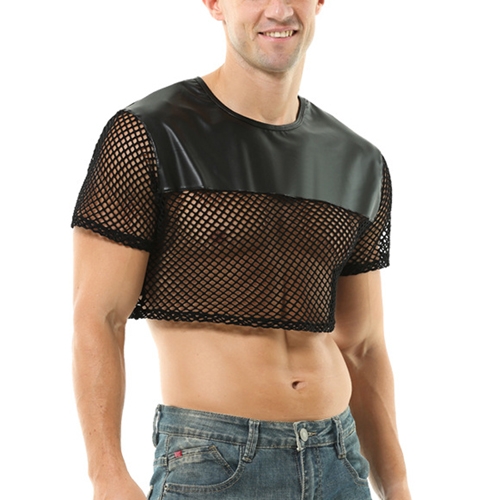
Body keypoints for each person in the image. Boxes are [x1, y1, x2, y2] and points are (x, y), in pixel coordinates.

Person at [72, 1, 411, 499]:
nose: (279, 9)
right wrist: (106, 474)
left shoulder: (358, 159)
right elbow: (98, 317)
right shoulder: (153, 133)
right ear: (214, 4)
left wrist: (398, 488)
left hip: (338, 460)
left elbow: (363, 347)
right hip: (216, 462)